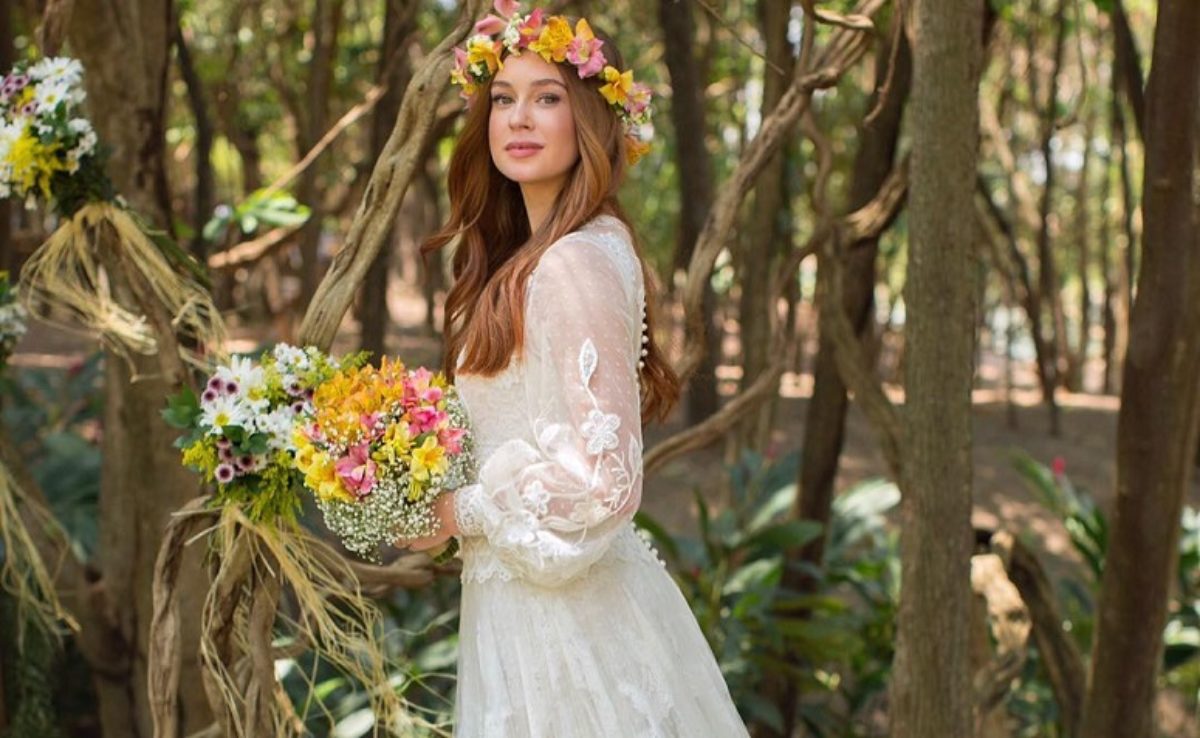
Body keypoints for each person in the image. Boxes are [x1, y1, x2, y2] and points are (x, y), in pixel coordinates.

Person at [400, 3, 750, 735]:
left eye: (548, 97)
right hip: (527, 617)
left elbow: (605, 485)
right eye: (504, 99)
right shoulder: (557, 252)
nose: (519, 118)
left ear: (590, 116)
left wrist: (458, 512)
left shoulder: (572, 262)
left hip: (570, 639)